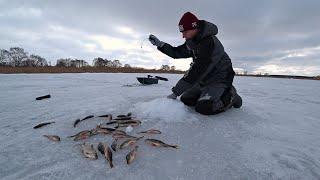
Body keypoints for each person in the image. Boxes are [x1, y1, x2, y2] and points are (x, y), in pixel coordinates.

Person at [149, 12, 242, 115]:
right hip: (204, 80)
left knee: (204, 107)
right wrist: (160, 44)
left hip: (219, 79)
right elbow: (177, 52)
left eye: (185, 32)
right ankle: (207, 94)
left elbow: (198, 69)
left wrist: (176, 92)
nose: (183, 36)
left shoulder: (209, 43)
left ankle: (231, 96)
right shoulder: (192, 41)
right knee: (186, 99)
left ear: (194, 27)